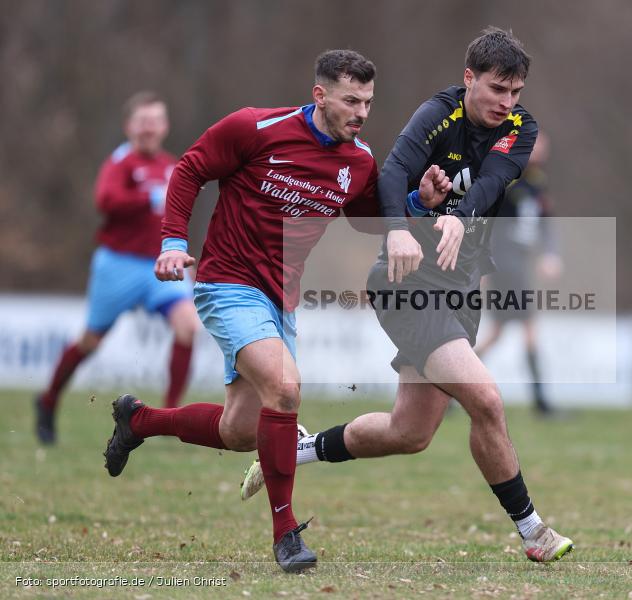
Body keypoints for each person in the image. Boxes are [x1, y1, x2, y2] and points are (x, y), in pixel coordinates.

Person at [101, 50, 451, 573]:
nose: (361, 112)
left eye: (369, 102)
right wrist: (173, 240)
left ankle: (140, 420)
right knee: (286, 389)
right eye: (351, 100)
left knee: (241, 431)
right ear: (320, 95)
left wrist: (418, 204)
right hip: (226, 284)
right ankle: (286, 532)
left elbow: (369, 223)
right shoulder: (256, 128)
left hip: (280, 302)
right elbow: (191, 168)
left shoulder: (357, 162)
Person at [241, 28, 574, 563]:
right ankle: (534, 530)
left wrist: (460, 218)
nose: (507, 103)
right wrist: (398, 226)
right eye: (496, 90)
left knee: (410, 431)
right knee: (486, 398)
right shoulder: (436, 114)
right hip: (408, 286)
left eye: (515, 92)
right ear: (469, 79)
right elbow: (392, 169)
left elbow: (492, 181)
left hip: (463, 286)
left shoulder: (520, 128)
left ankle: (295, 449)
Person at [34, 92, 199, 445]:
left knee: (187, 325)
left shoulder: (172, 166)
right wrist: (146, 197)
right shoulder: (120, 162)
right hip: (118, 264)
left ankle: (169, 417)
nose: (149, 128)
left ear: (165, 126)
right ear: (129, 126)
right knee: (90, 341)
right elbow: (105, 201)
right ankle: (47, 401)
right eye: (143, 121)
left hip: (158, 263)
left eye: (155, 121)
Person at [474, 131, 562, 416]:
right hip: (505, 260)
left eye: (544, 145)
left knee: (497, 332)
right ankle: (541, 402)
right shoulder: (509, 176)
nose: (541, 150)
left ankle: (450, 389)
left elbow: (546, 221)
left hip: (517, 261)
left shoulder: (538, 182)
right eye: (536, 144)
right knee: (529, 326)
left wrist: (549, 253)